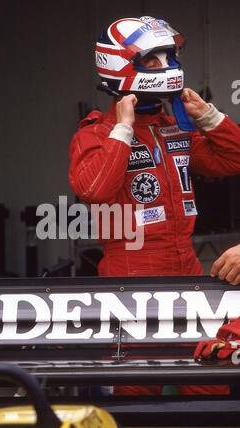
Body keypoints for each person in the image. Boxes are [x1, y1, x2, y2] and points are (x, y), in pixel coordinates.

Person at [69, 17, 240, 395]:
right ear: (121, 63)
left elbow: (234, 159)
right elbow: (94, 188)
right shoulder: (94, 133)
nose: (167, 66)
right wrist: (123, 130)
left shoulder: (175, 126)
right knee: (136, 392)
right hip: (131, 277)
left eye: (170, 56)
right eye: (153, 59)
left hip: (190, 271)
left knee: (207, 385)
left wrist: (209, 117)